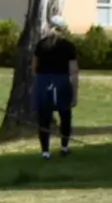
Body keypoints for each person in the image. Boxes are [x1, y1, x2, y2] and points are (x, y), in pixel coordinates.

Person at [31, 26, 81, 157]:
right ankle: (64, 147)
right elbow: (73, 70)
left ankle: (45, 151)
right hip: (61, 81)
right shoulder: (68, 46)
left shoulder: (41, 45)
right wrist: (75, 93)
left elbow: (34, 66)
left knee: (44, 118)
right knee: (65, 115)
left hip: (43, 81)